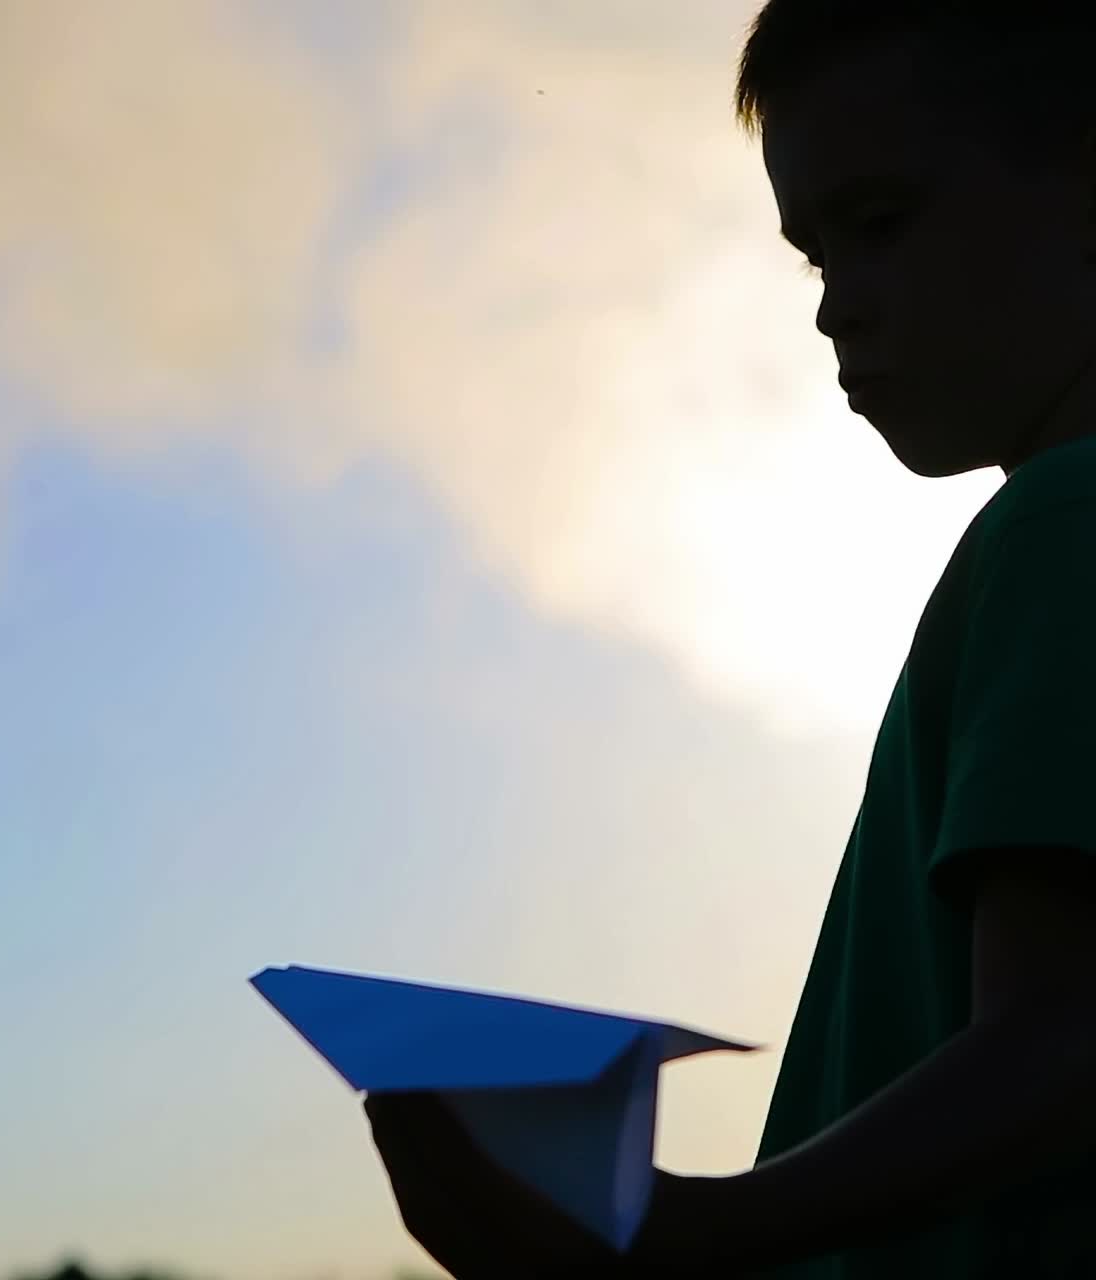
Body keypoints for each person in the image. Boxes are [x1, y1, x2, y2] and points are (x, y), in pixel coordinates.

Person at [365, 3, 1096, 1275]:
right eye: (815, 259)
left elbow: (1066, 1035)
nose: (834, 310)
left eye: (879, 226)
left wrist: (687, 1238)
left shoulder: (1067, 519)